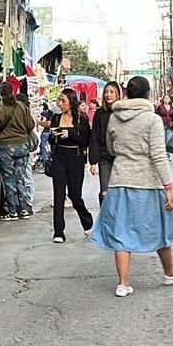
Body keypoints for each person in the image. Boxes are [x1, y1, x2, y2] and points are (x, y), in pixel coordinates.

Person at [90, 76, 173, 296]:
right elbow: (158, 155)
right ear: (148, 94)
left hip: (119, 180)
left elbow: (110, 148)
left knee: (121, 231)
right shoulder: (152, 119)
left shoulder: (115, 118)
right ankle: (170, 272)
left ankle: (123, 283)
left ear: (127, 93)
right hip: (147, 182)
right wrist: (168, 186)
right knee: (160, 227)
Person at [0, 81, 36, 221]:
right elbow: (31, 124)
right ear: (12, 91)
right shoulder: (22, 106)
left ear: (0, 94)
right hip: (23, 146)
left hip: (6, 147)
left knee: (9, 179)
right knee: (21, 177)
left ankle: (13, 211)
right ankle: (25, 209)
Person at [49, 88, 94, 242]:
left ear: (71, 101)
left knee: (75, 196)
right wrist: (53, 136)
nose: (60, 104)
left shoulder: (81, 118)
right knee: (58, 194)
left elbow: (85, 141)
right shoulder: (56, 118)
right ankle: (58, 231)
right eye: (59, 100)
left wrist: (71, 134)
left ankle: (86, 219)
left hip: (75, 158)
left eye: (63, 101)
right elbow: (50, 140)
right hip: (59, 157)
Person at [89, 82, 121, 204]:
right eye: (106, 92)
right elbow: (94, 138)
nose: (108, 95)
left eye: (112, 92)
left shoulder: (123, 112)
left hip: (120, 157)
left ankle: (118, 219)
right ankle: (106, 219)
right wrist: (93, 161)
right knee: (105, 192)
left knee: (119, 191)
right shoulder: (99, 113)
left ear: (118, 94)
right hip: (104, 157)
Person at [155, 94, 173, 159]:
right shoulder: (160, 107)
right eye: (165, 98)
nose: (166, 100)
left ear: (170, 100)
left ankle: (167, 154)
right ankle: (162, 154)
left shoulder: (172, 108)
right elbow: (156, 115)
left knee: (168, 140)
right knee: (162, 140)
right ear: (163, 99)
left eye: (168, 98)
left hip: (169, 126)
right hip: (161, 125)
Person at [38, 101, 54, 169]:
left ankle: (46, 164)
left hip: (45, 132)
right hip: (49, 132)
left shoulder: (43, 114)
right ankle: (48, 163)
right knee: (47, 148)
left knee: (43, 148)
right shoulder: (51, 113)